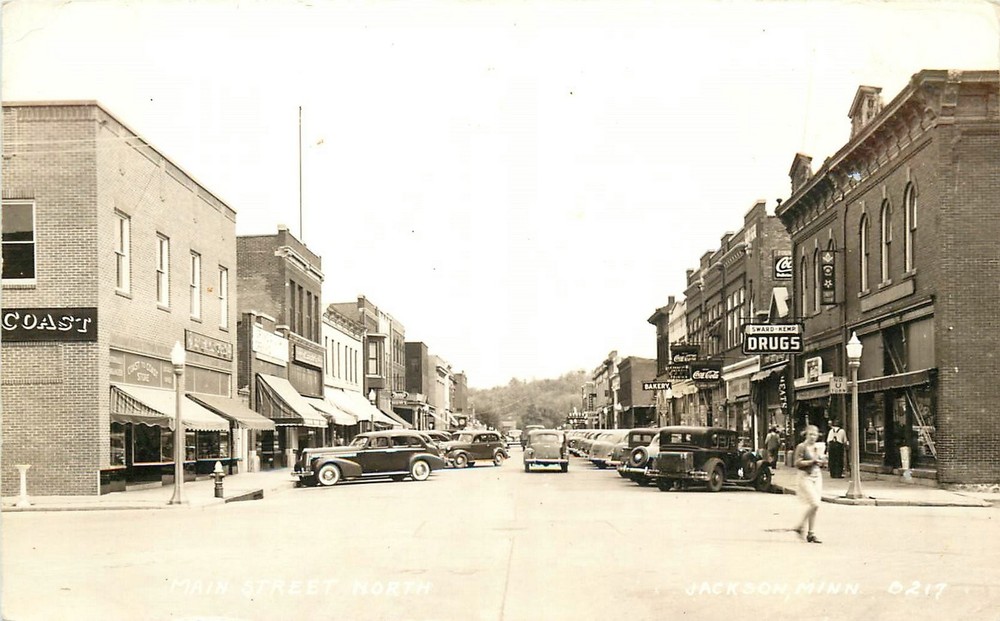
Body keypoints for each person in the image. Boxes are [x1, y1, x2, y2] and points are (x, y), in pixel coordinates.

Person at [793, 424, 825, 543]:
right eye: (810, 434)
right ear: (806, 434)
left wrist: (822, 461)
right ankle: (800, 526)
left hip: (817, 476)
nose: (813, 437)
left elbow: (820, 462)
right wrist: (812, 461)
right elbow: (797, 463)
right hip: (805, 476)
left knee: (815, 506)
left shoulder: (817, 447)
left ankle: (811, 533)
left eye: (815, 434)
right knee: (815, 503)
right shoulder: (801, 447)